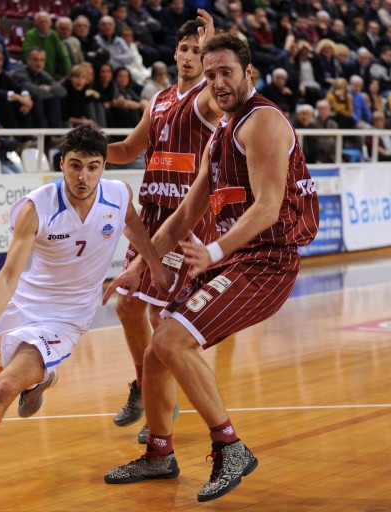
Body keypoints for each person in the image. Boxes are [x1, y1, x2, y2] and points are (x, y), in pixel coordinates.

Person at [103, 33, 319, 502]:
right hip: (239, 259)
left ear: (248, 73)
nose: (218, 82)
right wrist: (142, 263)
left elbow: (267, 208)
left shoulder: (262, 121)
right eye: (212, 75)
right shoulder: (222, 131)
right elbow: (186, 212)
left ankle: (230, 447)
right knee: (156, 350)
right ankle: (159, 453)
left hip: (267, 261)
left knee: (170, 340)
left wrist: (215, 251)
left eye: (227, 73)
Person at [0, 125, 173, 497]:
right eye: (75, 165)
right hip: (22, 303)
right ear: (61, 163)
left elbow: (134, 227)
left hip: (66, 317)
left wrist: (150, 265)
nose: (83, 177)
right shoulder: (36, 207)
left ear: (104, 167)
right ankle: (41, 379)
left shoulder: (118, 194)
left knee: (3, 386)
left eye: (93, 167)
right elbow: (8, 275)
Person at [105, 14, 223, 444]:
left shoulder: (207, 100)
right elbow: (126, 150)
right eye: (185, 49)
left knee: (160, 316)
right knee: (127, 307)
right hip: (151, 217)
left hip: (184, 221)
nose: (190, 57)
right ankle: (145, 387)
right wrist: (87, 146)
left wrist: (213, 47)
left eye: (198, 51)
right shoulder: (157, 100)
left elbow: (218, 92)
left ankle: (161, 413)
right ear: (174, 53)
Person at [22, 11, 72, 80]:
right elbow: (28, 55)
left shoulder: (53, 35)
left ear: (50, 24)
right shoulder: (30, 35)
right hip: (35, 73)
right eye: (41, 22)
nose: (44, 24)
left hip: (52, 73)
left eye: (46, 21)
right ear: (35, 23)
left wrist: (68, 73)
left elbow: (63, 55)